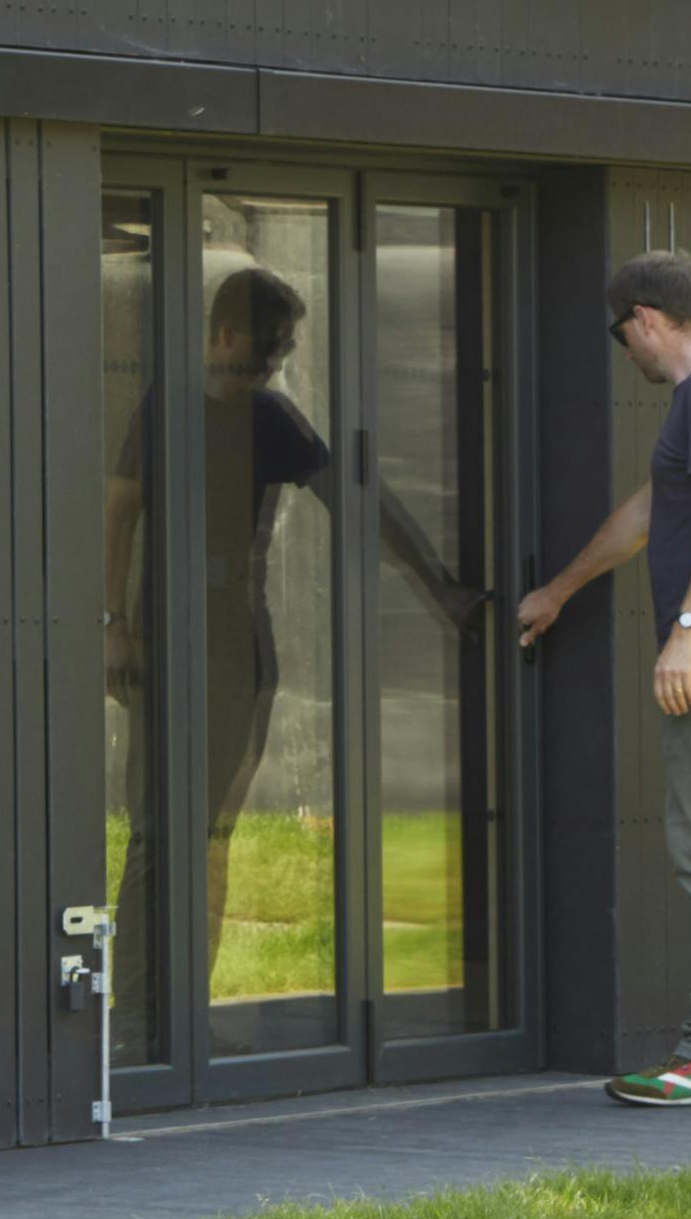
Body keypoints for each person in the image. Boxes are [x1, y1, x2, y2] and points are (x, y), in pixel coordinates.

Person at [106, 263, 472, 1039]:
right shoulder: (168, 408)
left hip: (237, 644)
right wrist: (113, 625)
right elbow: (119, 512)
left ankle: (182, 1016)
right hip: (165, 639)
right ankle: (138, 1012)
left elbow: (359, 499)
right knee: (153, 828)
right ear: (225, 334)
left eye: (282, 352)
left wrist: (436, 584)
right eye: (267, 348)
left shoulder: (270, 419)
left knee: (209, 830)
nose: (274, 363)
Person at [514, 251, 691, 1107]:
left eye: (621, 335)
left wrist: (686, 629)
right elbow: (651, 511)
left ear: (644, 319)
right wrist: (561, 590)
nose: (625, 352)